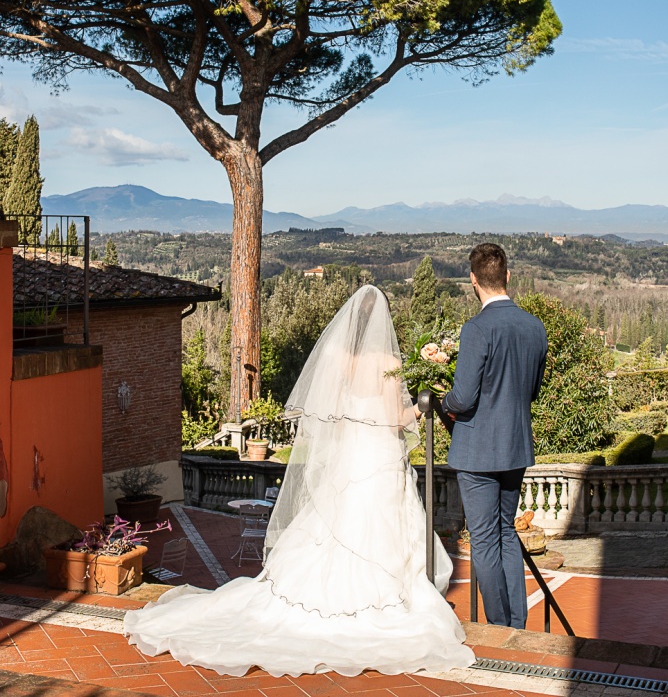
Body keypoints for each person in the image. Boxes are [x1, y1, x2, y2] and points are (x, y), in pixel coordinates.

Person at [122, 285, 474, 677]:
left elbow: (336, 414)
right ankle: (385, 600)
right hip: (379, 457)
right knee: (380, 524)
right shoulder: (387, 360)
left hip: (351, 459)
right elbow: (394, 418)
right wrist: (425, 406)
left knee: (339, 525)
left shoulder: (340, 359)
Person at [441, 242, 547, 629]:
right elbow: (530, 390)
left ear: (473, 280)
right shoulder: (535, 327)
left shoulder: (477, 329)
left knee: (484, 539)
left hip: (477, 451)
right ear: (508, 276)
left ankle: (500, 626)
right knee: (505, 533)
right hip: (515, 447)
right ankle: (517, 624)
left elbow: (463, 398)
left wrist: (443, 400)